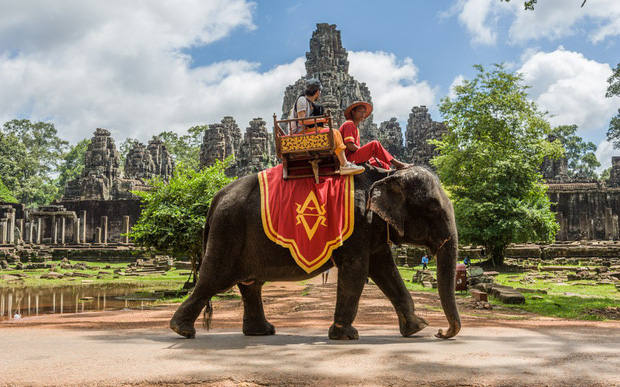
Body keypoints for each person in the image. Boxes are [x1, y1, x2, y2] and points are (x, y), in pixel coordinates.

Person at [290, 79, 364, 176]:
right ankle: (344, 164)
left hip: (306, 131)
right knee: (334, 132)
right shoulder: (302, 100)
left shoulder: (309, 103)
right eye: (319, 92)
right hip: (299, 134)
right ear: (317, 92)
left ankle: (343, 162)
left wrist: (323, 123)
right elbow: (302, 121)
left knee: (333, 131)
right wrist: (321, 120)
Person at [339, 101, 411, 170]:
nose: (363, 114)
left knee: (381, 163)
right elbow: (350, 146)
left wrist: (366, 155)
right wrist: (366, 152)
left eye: (364, 112)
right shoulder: (349, 124)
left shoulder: (355, 128)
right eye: (360, 111)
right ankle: (398, 164)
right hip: (347, 158)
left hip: (353, 155)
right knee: (374, 144)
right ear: (353, 112)